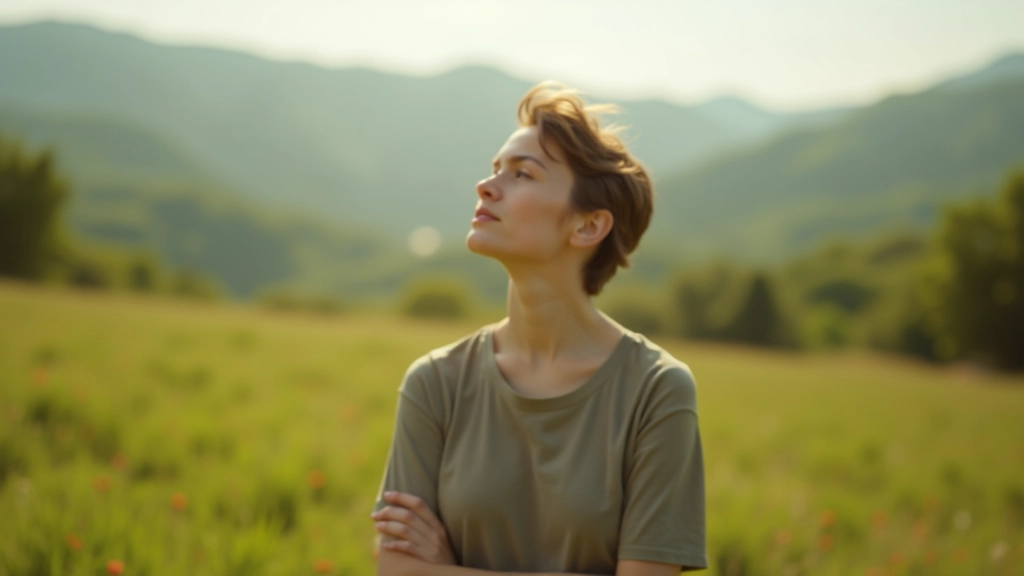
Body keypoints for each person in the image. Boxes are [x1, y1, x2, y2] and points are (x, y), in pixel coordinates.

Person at [370, 82, 707, 576]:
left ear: (588, 227)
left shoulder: (656, 391)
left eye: (523, 174)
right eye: (494, 170)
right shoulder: (435, 382)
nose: (487, 186)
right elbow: (396, 571)